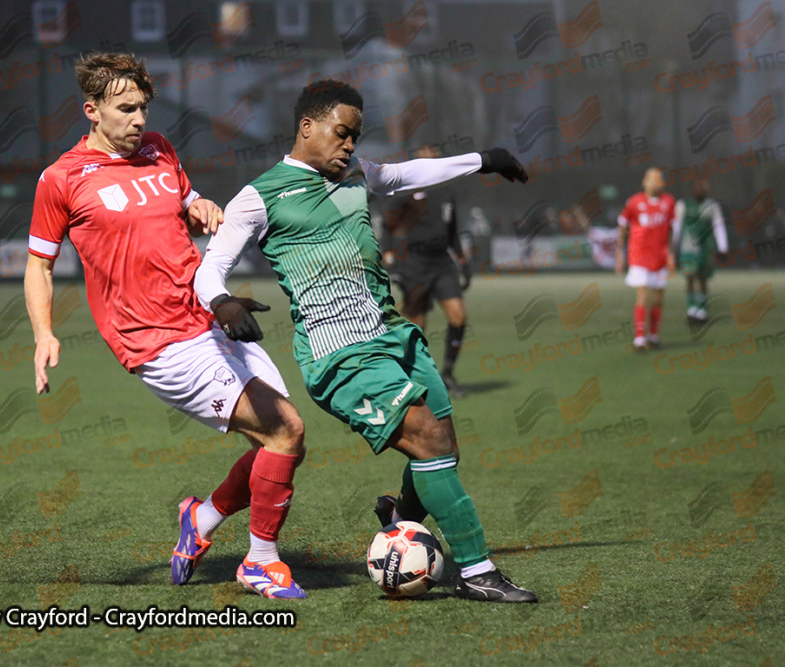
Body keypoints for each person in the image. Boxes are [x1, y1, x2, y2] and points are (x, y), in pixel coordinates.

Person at [195, 80, 538, 603]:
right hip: (340, 353)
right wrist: (223, 303)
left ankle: (399, 519)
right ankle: (476, 571)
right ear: (307, 127)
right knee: (427, 440)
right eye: (342, 133)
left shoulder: (356, 174)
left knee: (443, 447)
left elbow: (408, 173)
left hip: (393, 335)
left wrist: (484, 159)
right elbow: (209, 270)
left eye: (356, 136)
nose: (350, 146)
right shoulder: (258, 197)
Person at [24, 53, 307, 599]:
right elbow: (38, 264)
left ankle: (200, 520)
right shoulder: (61, 179)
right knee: (284, 430)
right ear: (92, 111)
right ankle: (258, 563)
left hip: (208, 315)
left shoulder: (159, 150)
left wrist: (201, 205)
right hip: (156, 341)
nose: (138, 119)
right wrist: (44, 332)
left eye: (142, 108)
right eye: (125, 109)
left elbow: (184, 201)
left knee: (283, 441)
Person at [380, 143, 471, 397]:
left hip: (442, 263)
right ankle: (410, 378)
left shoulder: (446, 189)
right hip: (414, 264)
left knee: (458, 316)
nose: (431, 153)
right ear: (417, 154)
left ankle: (449, 375)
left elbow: (452, 230)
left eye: (434, 150)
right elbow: (389, 226)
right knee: (416, 326)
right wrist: (390, 259)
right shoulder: (407, 186)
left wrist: (463, 261)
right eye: (426, 150)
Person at [615, 168, 676, 351]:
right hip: (639, 256)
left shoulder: (668, 202)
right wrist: (619, 250)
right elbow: (622, 224)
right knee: (642, 296)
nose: (655, 183)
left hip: (659, 257)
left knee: (657, 299)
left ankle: (654, 336)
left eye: (659, 180)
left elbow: (671, 229)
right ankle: (639, 339)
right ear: (644, 181)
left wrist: (671, 253)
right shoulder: (634, 202)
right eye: (651, 179)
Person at [672, 179, 729, 322]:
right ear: (693, 189)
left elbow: (719, 227)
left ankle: (702, 310)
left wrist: (723, 248)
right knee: (690, 278)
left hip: (706, 248)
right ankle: (692, 309)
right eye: (698, 187)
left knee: (703, 279)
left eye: (703, 188)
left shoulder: (712, 206)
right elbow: (677, 228)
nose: (701, 190)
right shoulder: (683, 205)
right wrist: (673, 248)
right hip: (688, 248)